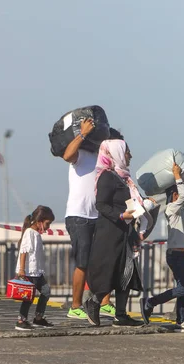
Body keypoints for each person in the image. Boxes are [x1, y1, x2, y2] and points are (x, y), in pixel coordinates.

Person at [83, 139, 147, 327]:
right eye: (127, 152)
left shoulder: (123, 177)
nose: (130, 156)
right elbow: (101, 205)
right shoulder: (106, 176)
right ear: (117, 153)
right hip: (110, 233)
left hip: (125, 233)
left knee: (125, 272)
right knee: (109, 271)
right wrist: (120, 215)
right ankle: (93, 302)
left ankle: (121, 314)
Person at [63, 120, 117, 319]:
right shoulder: (82, 156)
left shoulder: (104, 161)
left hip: (99, 216)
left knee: (103, 261)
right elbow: (67, 155)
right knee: (83, 262)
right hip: (79, 216)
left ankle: (104, 303)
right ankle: (75, 307)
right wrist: (83, 133)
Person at [140, 163, 184, 332]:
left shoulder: (182, 209)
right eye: (179, 193)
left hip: (182, 255)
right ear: (174, 196)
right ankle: (150, 302)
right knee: (183, 288)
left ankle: (181, 319)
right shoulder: (172, 209)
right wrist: (177, 177)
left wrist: (183, 179)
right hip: (175, 256)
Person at [14, 206, 56, 331]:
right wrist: (22, 269)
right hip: (29, 272)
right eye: (47, 223)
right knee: (29, 297)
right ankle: (21, 320)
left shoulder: (37, 234)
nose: (48, 227)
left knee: (46, 291)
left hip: (37, 272)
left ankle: (38, 318)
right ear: (39, 221)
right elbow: (23, 251)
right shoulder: (29, 233)